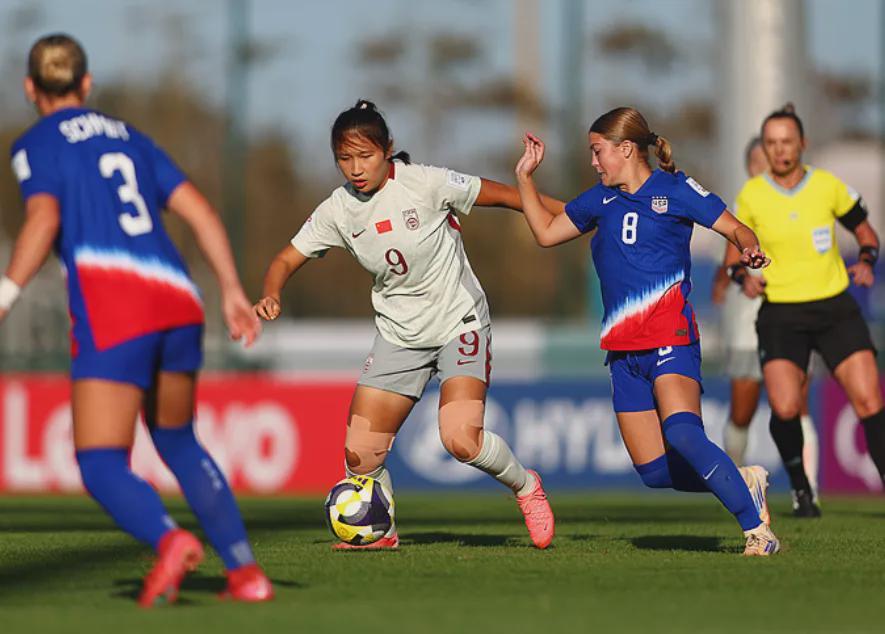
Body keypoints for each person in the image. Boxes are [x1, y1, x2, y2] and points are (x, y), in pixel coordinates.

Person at [0, 34, 273, 605]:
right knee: (177, 439)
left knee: (100, 461)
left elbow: (44, 217)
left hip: (115, 301)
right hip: (177, 297)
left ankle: (169, 540)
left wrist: (6, 292)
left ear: (30, 88)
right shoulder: (132, 137)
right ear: (86, 84)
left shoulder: (36, 143)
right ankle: (248, 575)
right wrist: (230, 289)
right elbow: (199, 211)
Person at [255, 99, 557, 550]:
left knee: (460, 440)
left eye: (365, 156)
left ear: (388, 150)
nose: (355, 168)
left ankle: (526, 487)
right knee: (360, 456)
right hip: (400, 335)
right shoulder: (337, 209)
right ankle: (381, 531)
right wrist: (272, 291)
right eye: (344, 158)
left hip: (459, 321)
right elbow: (285, 258)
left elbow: (508, 196)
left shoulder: (425, 183)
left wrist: (581, 213)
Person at [514, 106, 779, 556]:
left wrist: (750, 250)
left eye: (598, 152)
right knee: (654, 473)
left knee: (683, 434)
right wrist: (525, 179)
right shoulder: (598, 201)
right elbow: (544, 233)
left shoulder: (675, 189)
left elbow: (736, 228)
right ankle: (744, 482)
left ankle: (757, 531)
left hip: (670, 338)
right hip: (622, 351)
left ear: (626, 149)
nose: (594, 162)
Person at [728, 103, 885, 517]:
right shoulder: (753, 194)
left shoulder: (828, 186)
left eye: (787, 142)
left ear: (803, 144)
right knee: (784, 408)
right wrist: (742, 276)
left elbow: (867, 233)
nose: (780, 151)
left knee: (869, 401)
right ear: (765, 146)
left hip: (835, 309)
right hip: (781, 313)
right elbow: (734, 250)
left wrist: (867, 261)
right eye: (772, 143)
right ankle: (801, 490)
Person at [713, 137, 819, 496]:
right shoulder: (744, 207)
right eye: (759, 159)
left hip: (792, 309)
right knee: (742, 407)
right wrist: (731, 278)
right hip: (747, 318)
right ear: (749, 166)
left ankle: (807, 490)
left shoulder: (798, 204)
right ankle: (736, 488)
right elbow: (728, 261)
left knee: (797, 402)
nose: (767, 164)